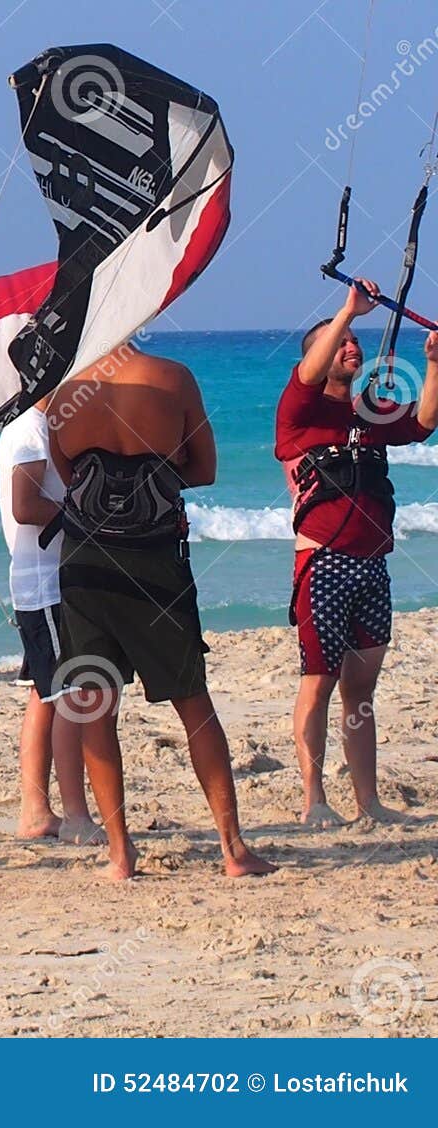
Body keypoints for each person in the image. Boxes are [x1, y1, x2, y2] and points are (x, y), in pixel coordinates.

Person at [46, 345, 274, 880]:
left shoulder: (63, 390)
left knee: (93, 702)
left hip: (86, 562)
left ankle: (121, 854)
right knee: (193, 699)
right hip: (154, 562)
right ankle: (233, 848)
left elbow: (68, 477)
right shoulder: (174, 378)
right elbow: (205, 469)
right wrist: (152, 475)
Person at [276, 279, 438, 825]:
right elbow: (306, 372)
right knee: (318, 681)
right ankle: (314, 800)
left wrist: (434, 361)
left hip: (373, 566)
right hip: (322, 562)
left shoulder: (369, 412)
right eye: (339, 341)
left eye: (353, 340)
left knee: (361, 688)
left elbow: (423, 423)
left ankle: (368, 802)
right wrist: (347, 311)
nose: (351, 345)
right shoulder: (300, 410)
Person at [0, 399, 99, 843]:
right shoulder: (30, 429)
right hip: (45, 583)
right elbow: (25, 505)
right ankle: (75, 813)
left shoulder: (44, 425)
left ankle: (36, 810)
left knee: (47, 693)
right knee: (71, 693)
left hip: (49, 581)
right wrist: (88, 518)